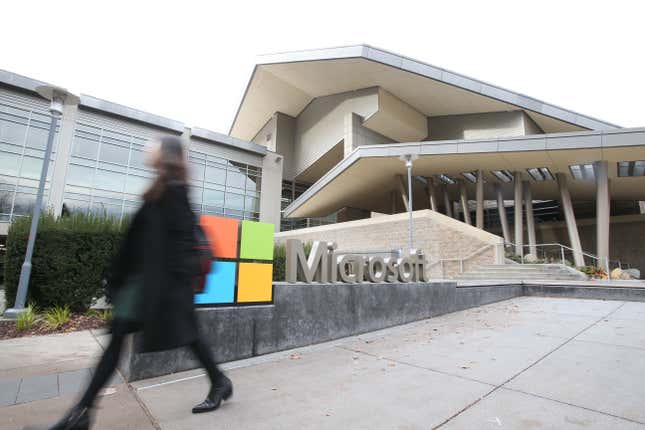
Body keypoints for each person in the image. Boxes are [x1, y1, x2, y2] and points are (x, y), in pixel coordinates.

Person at [42, 136, 232, 430]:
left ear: (165, 155)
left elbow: (181, 244)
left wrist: (170, 289)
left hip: (161, 289)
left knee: (188, 337)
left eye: (154, 145)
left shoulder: (175, 191)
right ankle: (81, 414)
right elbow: (140, 243)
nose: (148, 147)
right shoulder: (159, 189)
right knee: (126, 340)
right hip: (144, 286)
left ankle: (219, 381)